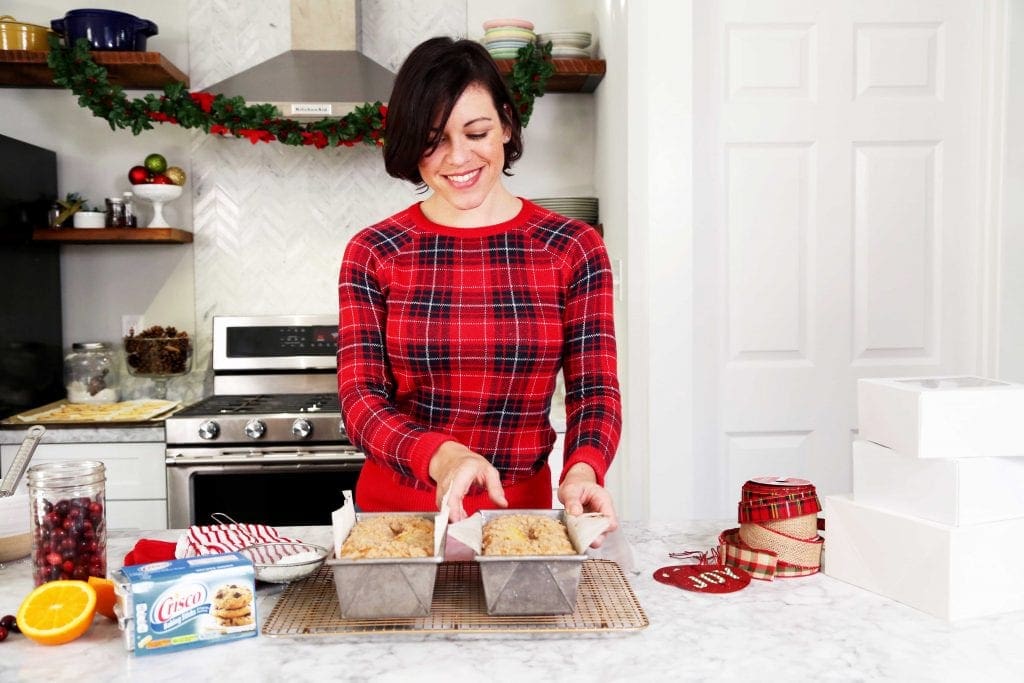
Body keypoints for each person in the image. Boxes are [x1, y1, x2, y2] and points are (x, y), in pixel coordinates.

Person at [337, 37, 622, 545]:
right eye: (434, 139)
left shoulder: (573, 248)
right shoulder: (375, 251)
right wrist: (442, 455)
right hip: (397, 521)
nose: (458, 157)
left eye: (476, 132)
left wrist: (583, 470)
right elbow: (359, 400)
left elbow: (594, 392)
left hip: (517, 519)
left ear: (507, 125)